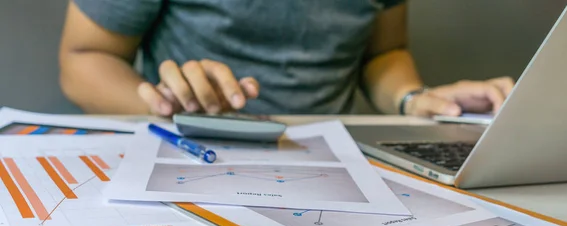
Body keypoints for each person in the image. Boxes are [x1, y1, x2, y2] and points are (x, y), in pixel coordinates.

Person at [58, 0, 514, 118]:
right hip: (195, 155)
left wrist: (413, 98)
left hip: (337, 161)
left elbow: (383, 52)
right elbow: (83, 59)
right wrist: (165, 107)